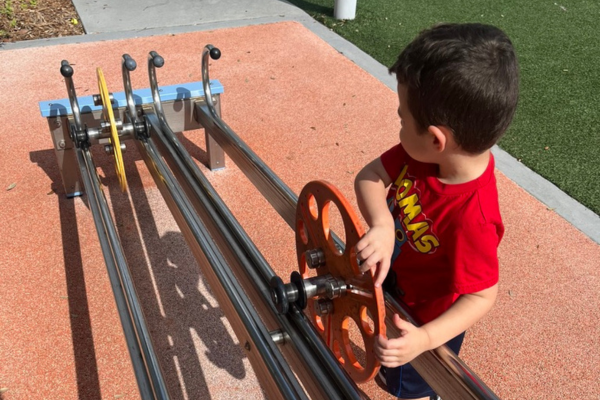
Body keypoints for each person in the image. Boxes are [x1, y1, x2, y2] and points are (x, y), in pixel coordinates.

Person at [354, 23, 519, 400]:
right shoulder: (425, 157)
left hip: (424, 322)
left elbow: (481, 296)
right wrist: (380, 224)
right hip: (397, 282)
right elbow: (370, 175)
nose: (398, 129)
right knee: (387, 361)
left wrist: (424, 340)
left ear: (435, 138)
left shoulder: (472, 218)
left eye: (402, 119)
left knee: (412, 387)